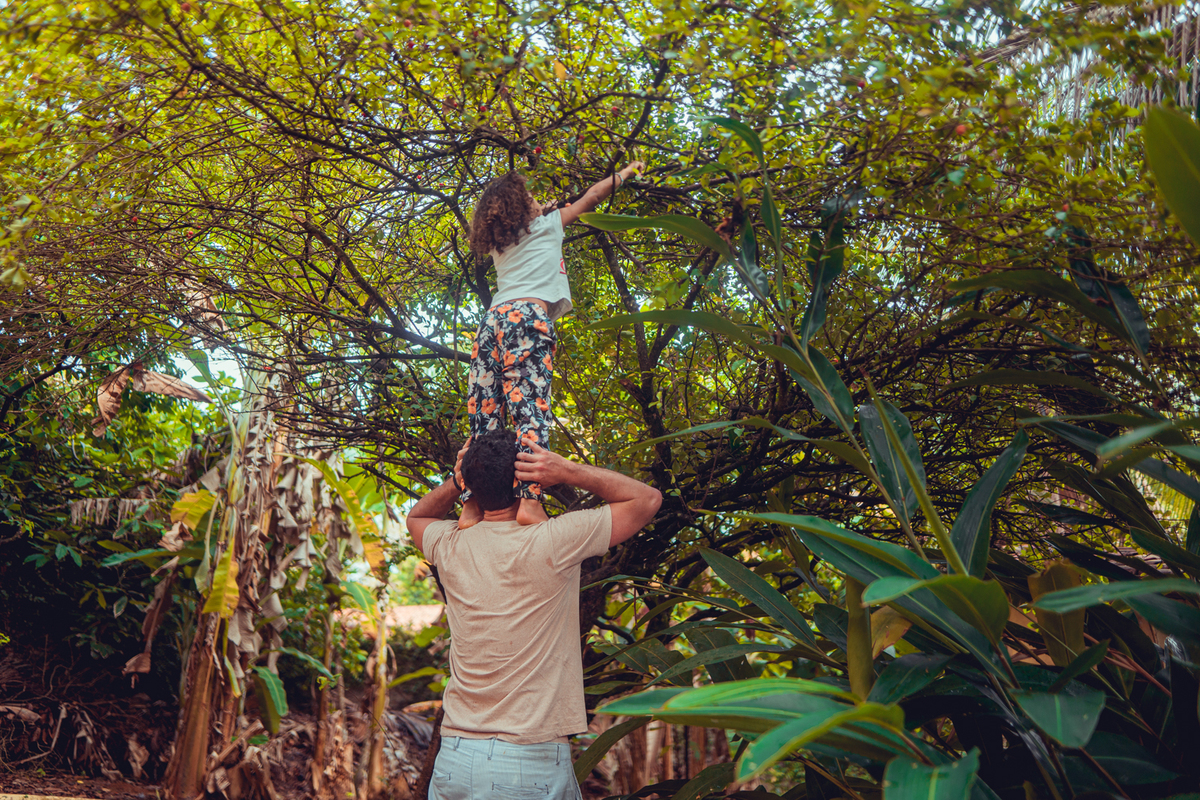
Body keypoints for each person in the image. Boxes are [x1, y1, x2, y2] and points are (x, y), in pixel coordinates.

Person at [406, 427, 662, 800]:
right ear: (526, 479)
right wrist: (566, 470)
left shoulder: (449, 545)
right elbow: (648, 499)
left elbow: (416, 518)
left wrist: (457, 482)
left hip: (456, 759)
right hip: (525, 760)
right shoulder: (555, 540)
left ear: (473, 488)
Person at [461, 161, 646, 528]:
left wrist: (537, 207)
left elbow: (531, 213)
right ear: (522, 207)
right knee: (529, 408)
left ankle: (471, 506)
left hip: (492, 318)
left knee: (484, 413)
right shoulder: (547, 224)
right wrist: (627, 172)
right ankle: (530, 502)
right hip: (526, 317)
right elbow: (592, 196)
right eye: (530, 196)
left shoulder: (502, 242)